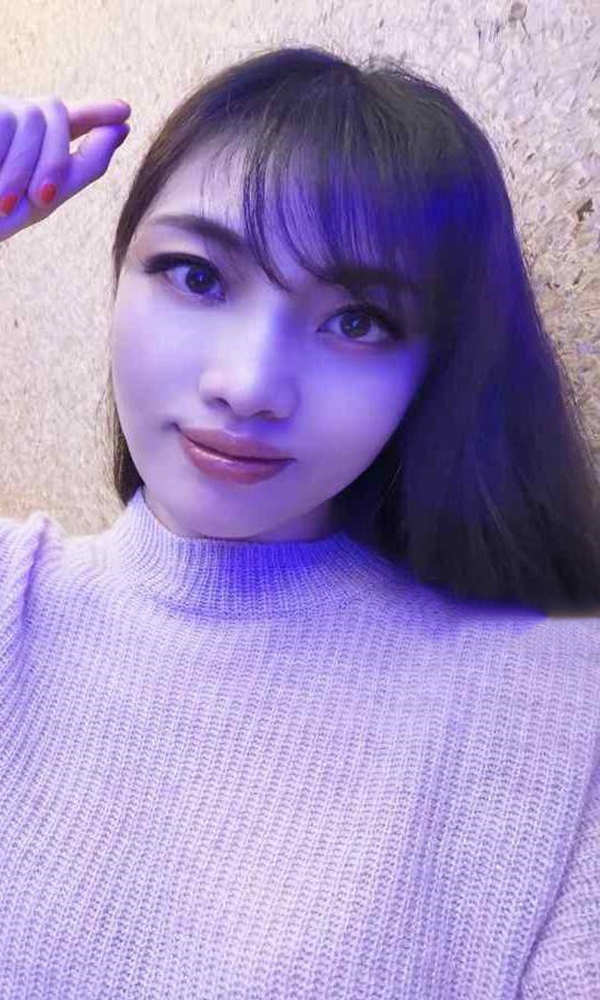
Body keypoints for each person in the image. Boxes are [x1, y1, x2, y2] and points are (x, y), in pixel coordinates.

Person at [0, 44, 598, 999]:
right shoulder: (14, 601)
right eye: (197, 276)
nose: (248, 386)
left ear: (437, 369)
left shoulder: (557, 718)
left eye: (357, 321)